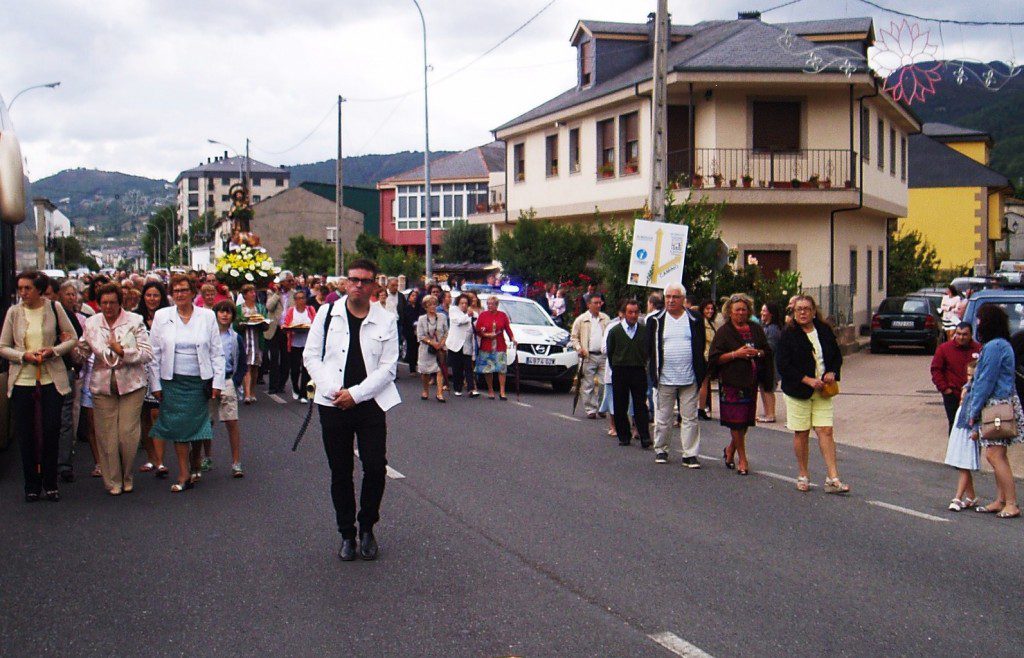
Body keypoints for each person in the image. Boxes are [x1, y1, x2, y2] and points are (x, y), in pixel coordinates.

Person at [304, 258, 400, 561]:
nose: (358, 285)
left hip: (370, 403)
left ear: (374, 286)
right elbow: (311, 357)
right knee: (341, 471)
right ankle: (346, 533)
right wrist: (335, 391)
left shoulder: (386, 320)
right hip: (333, 404)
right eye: (353, 279)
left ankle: (367, 526)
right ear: (346, 282)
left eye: (364, 281)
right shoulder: (327, 314)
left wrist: (355, 395)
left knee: (374, 467)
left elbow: (388, 369)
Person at [1, 272, 79, 502]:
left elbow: (72, 338)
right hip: (23, 380)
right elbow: (3, 346)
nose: (23, 293)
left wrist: (52, 351)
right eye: (20, 288)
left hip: (50, 380)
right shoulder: (14, 313)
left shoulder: (54, 308)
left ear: (38, 289)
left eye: (27, 288)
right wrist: (23, 355)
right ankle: (31, 485)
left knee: (50, 431)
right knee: (27, 435)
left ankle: (50, 483)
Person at [148, 274, 225, 493]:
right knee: (179, 427)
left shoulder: (207, 316)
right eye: (176, 291)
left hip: (199, 382)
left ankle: (195, 462)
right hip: (172, 381)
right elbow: (153, 354)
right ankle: (183, 473)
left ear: (193, 292)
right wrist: (155, 384)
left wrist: (217, 382)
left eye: (184, 290)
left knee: (198, 426)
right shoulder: (162, 316)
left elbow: (216, 352)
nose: (180, 294)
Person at [77, 283, 153, 496]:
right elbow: (82, 350)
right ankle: (113, 480)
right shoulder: (92, 323)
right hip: (102, 385)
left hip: (131, 384)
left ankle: (127, 474)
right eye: (104, 303)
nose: (108, 307)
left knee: (126, 435)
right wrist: (71, 352)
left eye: (112, 303)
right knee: (107, 436)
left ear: (120, 303)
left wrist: (123, 352)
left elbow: (146, 354)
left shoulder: (134, 321)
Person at [775, 294, 850, 493]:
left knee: (826, 430)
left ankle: (833, 477)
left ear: (814, 311)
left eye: (806, 309)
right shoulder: (788, 334)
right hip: (799, 390)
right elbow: (783, 365)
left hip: (823, 390)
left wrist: (832, 372)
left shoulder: (824, 330)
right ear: (793, 312)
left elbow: (836, 355)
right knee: (802, 432)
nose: (802, 312)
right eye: (798, 309)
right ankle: (803, 474)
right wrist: (807, 380)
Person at [965, 304, 1021, 518]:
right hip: (1002, 404)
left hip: (996, 407)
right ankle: (1000, 499)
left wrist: (973, 412)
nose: (977, 323)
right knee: (1000, 454)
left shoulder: (994, 347)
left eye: (979, 319)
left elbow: (985, 381)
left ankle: (1012, 503)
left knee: (994, 455)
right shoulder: (1002, 344)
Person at [707, 294, 772, 476]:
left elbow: (766, 351)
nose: (741, 313)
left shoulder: (756, 329)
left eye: (744, 309)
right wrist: (736, 354)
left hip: (750, 381)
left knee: (744, 422)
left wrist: (756, 353)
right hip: (731, 383)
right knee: (736, 421)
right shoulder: (724, 332)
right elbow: (715, 358)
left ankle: (730, 450)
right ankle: (742, 458)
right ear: (730, 312)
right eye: (737, 310)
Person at [648, 283, 706, 466]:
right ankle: (661, 449)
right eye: (668, 297)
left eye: (675, 297)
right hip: (664, 378)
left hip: (689, 378)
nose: (671, 300)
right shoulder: (655, 320)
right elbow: (649, 348)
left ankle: (690, 454)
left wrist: (700, 371)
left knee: (690, 417)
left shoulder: (695, 319)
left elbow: (700, 344)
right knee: (663, 417)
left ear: (683, 299)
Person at [136, 280, 170, 476]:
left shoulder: (169, 317)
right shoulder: (136, 317)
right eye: (148, 295)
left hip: (161, 370)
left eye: (156, 295)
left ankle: (160, 460)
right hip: (140, 372)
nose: (152, 299)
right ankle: (150, 458)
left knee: (157, 415)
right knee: (144, 418)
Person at [606, 300, 651, 448]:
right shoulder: (615, 331)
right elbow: (611, 352)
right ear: (624, 314)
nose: (633, 315)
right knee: (620, 404)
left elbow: (647, 351)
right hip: (620, 370)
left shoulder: (644, 331)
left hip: (638, 369)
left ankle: (644, 436)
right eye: (630, 312)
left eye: (636, 312)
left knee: (640, 405)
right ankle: (624, 436)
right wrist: (617, 366)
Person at [210, 300, 247, 477]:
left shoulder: (235, 337)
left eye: (228, 312)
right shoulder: (209, 335)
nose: (224, 315)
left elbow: (242, 362)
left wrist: (236, 381)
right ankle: (206, 456)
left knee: (231, 421)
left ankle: (236, 461)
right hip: (210, 382)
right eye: (221, 312)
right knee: (207, 422)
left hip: (227, 380)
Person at [56, 280, 86, 482]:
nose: (71, 298)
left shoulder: (67, 316)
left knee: (66, 418)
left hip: (65, 370)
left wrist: (76, 366)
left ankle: (64, 463)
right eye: (67, 294)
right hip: (37, 373)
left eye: (73, 294)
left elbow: (77, 340)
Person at [930, 322, 981, 433]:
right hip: (953, 394)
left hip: (973, 395)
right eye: (958, 334)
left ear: (971, 334)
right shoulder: (944, 349)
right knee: (954, 424)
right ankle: (954, 449)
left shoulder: (979, 349)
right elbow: (936, 370)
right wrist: (945, 389)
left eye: (965, 334)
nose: (961, 337)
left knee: (974, 425)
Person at [944, 358, 980, 511]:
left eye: (973, 376)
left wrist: (976, 430)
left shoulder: (978, 392)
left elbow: (978, 412)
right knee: (961, 463)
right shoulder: (968, 388)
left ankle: (958, 497)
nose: (969, 378)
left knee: (964, 464)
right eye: (968, 375)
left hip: (969, 429)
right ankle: (971, 496)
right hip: (961, 426)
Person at [570, 294, 612, 418]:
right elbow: (574, 337)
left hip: (603, 356)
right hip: (588, 356)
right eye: (596, 303)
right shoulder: (581, 320)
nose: (599, 305)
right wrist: (579, 348)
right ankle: (590, 409)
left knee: (605, 383)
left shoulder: (606, 319)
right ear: (589, 304)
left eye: (600, 303)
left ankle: (601, 407)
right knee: (587, 384)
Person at [475, 295, 515, 400]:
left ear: (496, 305)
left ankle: (502, 391)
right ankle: (490, 390)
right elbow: (478, 330)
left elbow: (507, 329)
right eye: (488, 304)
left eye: (492, 304)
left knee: (501, 368)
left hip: (499, 345)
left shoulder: (502, 315)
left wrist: (512, 338)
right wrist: (486, 335)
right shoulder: (483, 315)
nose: (489, 306)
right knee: (488, 369)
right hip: (486, 345)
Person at [282, 290, 316, 403]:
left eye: (303, 298)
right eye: (299, 298)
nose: (302, 300)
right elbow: (286, 324)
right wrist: (290, 328)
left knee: (306, 369)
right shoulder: (291, 311)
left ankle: (304, 394)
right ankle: (295, 387)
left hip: (307, 343)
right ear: (295, 300)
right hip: (294, 343)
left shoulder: (310, 310)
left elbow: (315, 324)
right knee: (295, 369)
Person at [236, 284, 267, 404]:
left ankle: (253, 390)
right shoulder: (239, 309)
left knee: (255, 367)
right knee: (246, 366)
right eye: (250, 292)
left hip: (257, 340)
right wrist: (243, 323)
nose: (253, 294)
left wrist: (262, 322)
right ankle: (247, 394)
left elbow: (265, 324)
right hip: (245, 340)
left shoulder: (260, 308)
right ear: (244, 295)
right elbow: (235, 325)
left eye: (254, 292)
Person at [416, 295, 448, 402]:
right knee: (425, 372)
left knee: (439, 370)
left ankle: (439, 393)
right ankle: (425, 390)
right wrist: (431, 342)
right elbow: (420, 335)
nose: (433, 307)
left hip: (440, 348)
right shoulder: (422, 319)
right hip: (426, 348)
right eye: (430, 305)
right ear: (425, 307)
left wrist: (441, 343)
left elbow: (446, 332)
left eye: (434, 304)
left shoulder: (442, 317)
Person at [446, 294, 479, 397]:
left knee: (468, 367)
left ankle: (471, 389)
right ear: (458, 303)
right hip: (456, 343)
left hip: (467, 344)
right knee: (457, 368)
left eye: (466, 303)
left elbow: (476, 320)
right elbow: (459, 321)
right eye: (462, 303)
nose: (464, 305)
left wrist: (471, 316)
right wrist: (468, 316)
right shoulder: (453, 310)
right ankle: (457, 388)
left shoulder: (472, 313)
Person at [758, 302, 784, 423]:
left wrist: (757, 351)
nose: (762, 313)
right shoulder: (766, 327)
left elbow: (770, 348)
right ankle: (767, 411)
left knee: (768, 388)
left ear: (771, 314)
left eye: (764, 311)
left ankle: (770, 414)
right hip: (765, 363)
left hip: (771, 364)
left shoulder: (773, 329)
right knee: (764, 388)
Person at [697, 300, 718, 419]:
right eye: (707, 308)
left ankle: (702, 407)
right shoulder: (703, 324)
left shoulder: (709, 323)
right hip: (705, 356)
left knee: (704, 384)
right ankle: (701, 408)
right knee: (703, 384)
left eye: (712, 309)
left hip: (707, 356)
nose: (710, 311)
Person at [401, 288, 421, 376]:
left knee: (418, 349)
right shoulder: (406, 308)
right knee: (411, 349)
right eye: (412, 296)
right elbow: (406, 319)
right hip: (410, 331)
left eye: (416, 296)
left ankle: (418, 366)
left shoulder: (419, 307)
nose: (414, 297)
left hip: (419, 331)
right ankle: (412, 369)